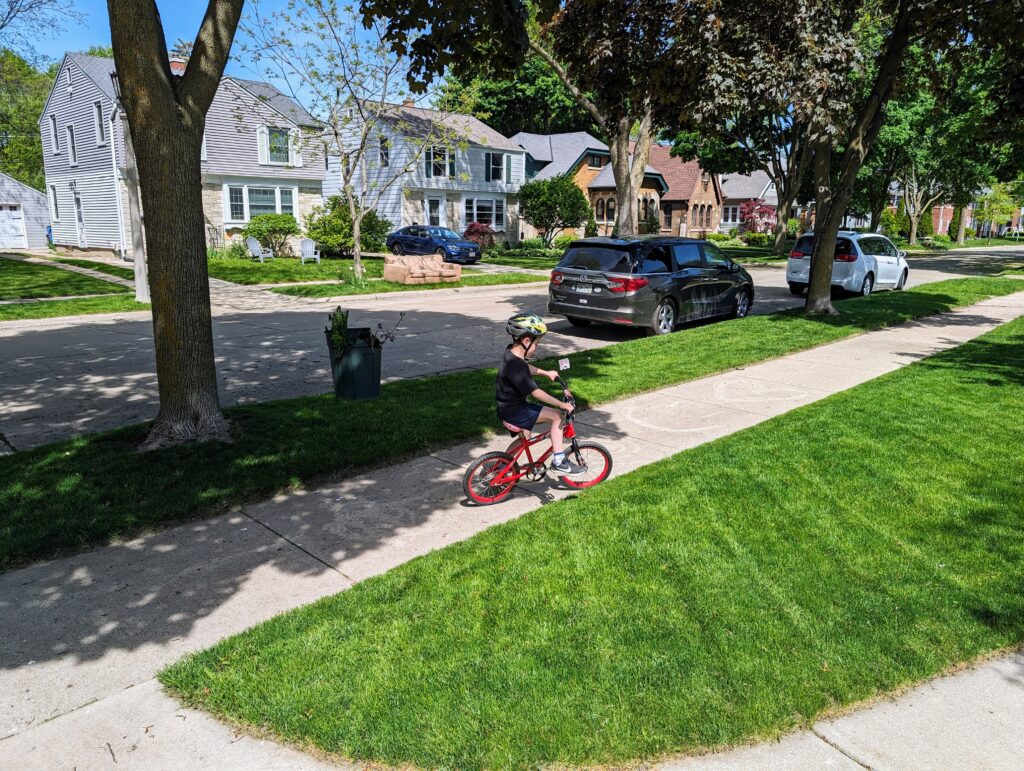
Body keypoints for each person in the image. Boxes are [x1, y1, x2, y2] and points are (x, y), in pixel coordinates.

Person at [497, 313, 585, 476]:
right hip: (516, 410)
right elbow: (536, 393)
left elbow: (525, 367)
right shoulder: (516, 365)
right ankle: (559, 461)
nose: (537, 347)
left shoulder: (511, 354)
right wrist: (561, 404)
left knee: (525, 437)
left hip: (506, 407)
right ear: (526, 341)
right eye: (537, 344)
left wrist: (546, 373)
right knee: (557, 416)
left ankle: (500, 466)